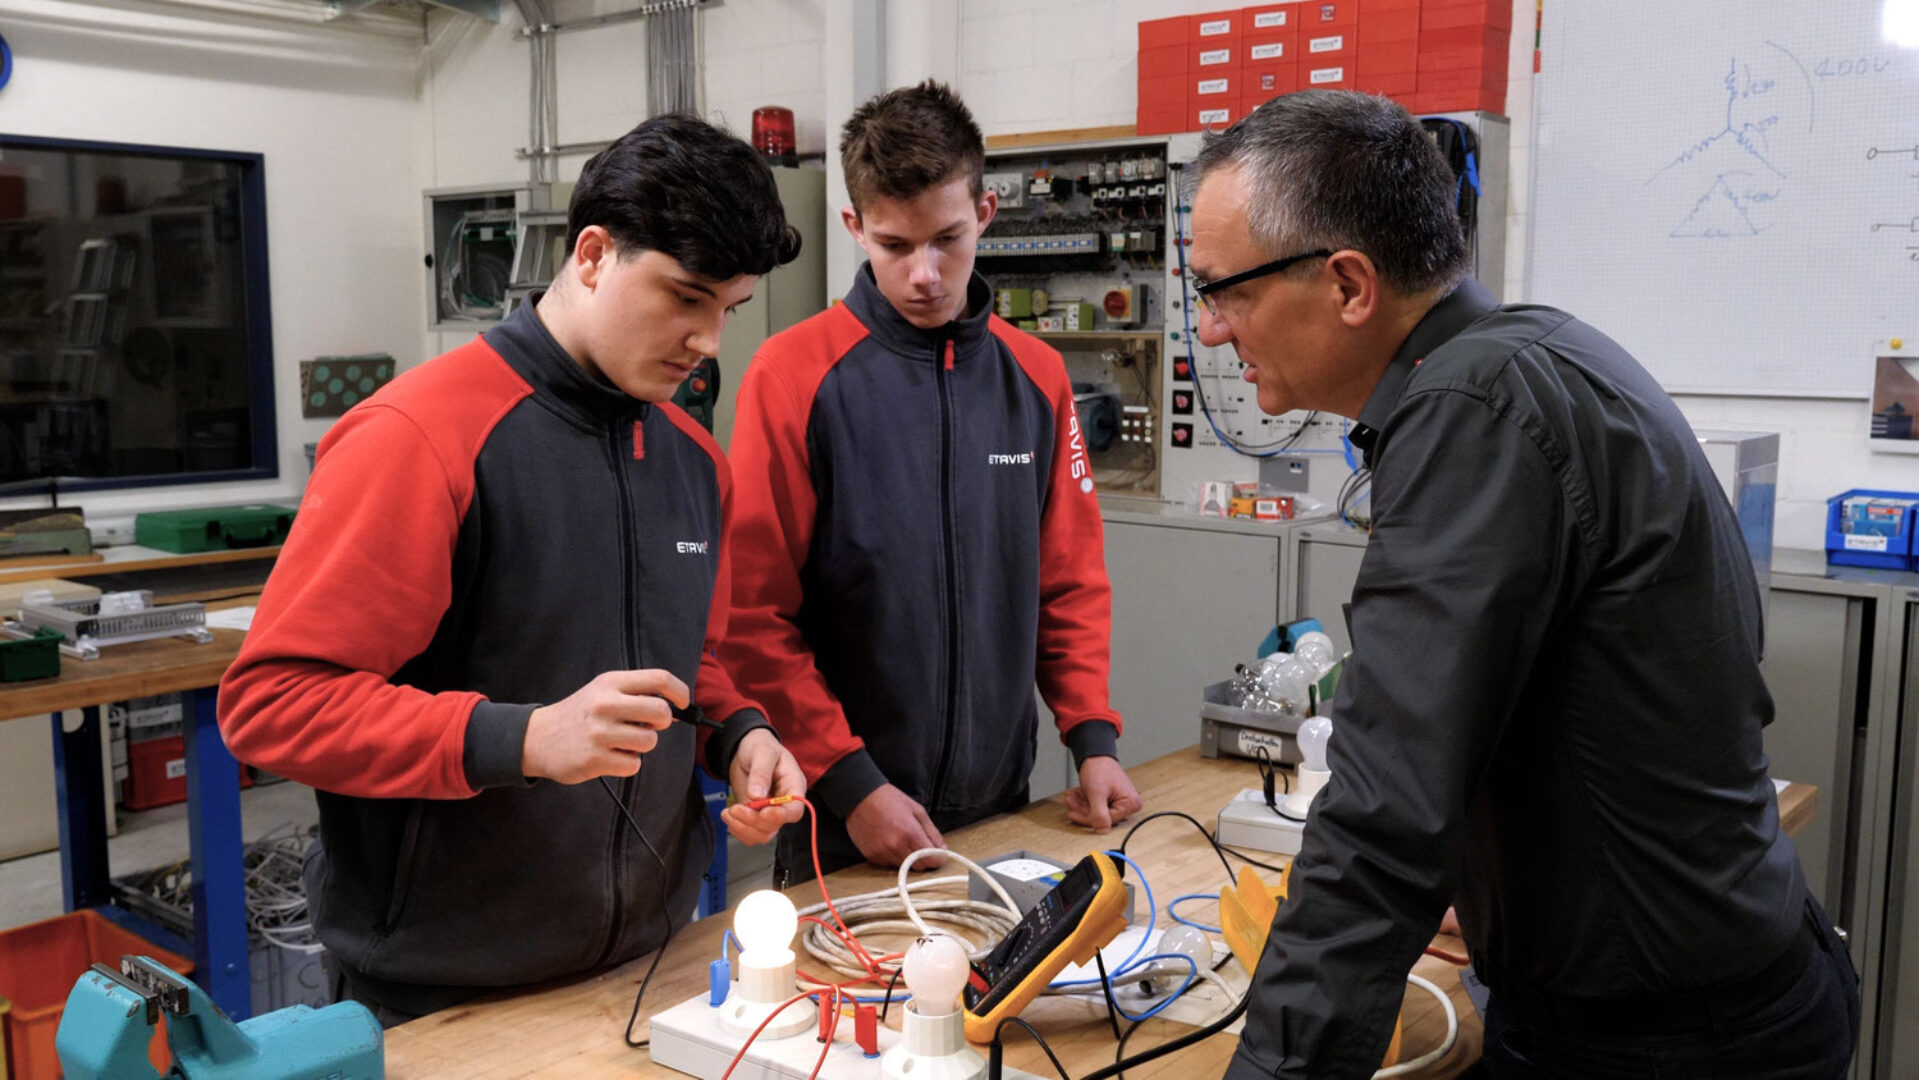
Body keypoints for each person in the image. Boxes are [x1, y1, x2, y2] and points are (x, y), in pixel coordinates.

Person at [1184, 91, 1859, 1079]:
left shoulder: (1474, 412)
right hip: (1721, 986)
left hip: (1658, 1042)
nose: (1209, 331)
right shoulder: (1534, 355)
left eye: (1222, 290)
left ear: (1347, 285)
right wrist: (1497, 874)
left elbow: (1381, 816)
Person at [218, 114, 808, 1025]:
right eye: (685, 297)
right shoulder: (420, 438)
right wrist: (524, 739)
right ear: (592, 254)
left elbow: (692, 663)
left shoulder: (693, 459)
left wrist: (739, 733)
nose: (707, 341)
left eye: (726, 310)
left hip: (650, 960)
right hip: (445, 986)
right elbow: (275, 704)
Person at [721, 80, 1142, 884]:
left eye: (946, 239)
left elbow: (1068, 582)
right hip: (846, 826)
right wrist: (849, 783)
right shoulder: (792, 375)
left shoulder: (1037, 377)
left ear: (984, 213)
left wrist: (1091, 737)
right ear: (854, 228)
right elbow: (751, 615)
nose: (923, 274)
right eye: (892, 245)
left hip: (1000, 807)